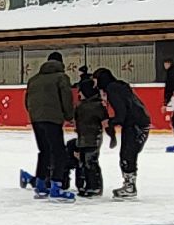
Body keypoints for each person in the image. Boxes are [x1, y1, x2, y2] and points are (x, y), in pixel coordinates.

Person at [23, 52, 75, 198]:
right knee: (59, 153)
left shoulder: (34, 79)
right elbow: (66, 97)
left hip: (36, 119)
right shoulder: (61, 77)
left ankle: (40, 184)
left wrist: (34, 115)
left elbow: (27, 100)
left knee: (44, 151)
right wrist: (69, 116)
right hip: (52, 119)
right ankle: (56, 187)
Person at [94, 67, 150, 199]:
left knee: (127, 154)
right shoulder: (120, 86)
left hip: (135, 124)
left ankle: (130, 186)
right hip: (138, 121)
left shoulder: (112, 89)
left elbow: (121, 114)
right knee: (127, 153)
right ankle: (129, 185)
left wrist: (110, 122)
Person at [71, 78, 110, 197]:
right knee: (82, 162)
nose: (79, 94)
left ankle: (94, 186)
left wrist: (111, 134)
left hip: (93, 138)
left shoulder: (98, 106)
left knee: (90, 162)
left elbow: (105, 122)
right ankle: (84, 185)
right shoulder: (80, 106)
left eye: (81, 91)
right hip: (82, 138)